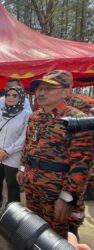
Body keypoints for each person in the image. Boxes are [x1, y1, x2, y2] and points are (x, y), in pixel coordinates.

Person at [16, 70, 93, 239]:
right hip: (33, 186)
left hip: (57, 191)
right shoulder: (35, 117)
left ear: (66, 91)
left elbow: (82, 166)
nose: (41, 92)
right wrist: (23, 168)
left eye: (49, 88)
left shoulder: (78, 120)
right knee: (35, 230)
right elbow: (28, 144)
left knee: (58, 238)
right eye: (39, 88)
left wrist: (67, 198)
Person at [0, 86, 31, 214]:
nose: (10, 98)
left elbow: (24, 136)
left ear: (21, 98)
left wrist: (7, 151)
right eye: (8, 95)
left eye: (14, 95)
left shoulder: (26, 115)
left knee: (12, 184)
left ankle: (13, 210)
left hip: (13, 156)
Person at [65, 80, 94, 238]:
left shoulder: (84, 102)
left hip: (80, 158)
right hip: (58, 161)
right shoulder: (46, 105)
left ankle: (73, 231)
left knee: (75, 199)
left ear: (69, 87)